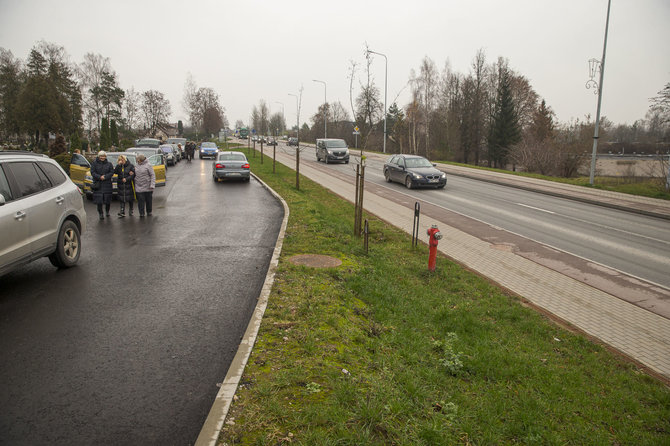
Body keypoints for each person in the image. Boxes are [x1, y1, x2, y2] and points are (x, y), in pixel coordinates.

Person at [91, 150, 114, 219]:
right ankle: (100, 213)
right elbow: (92, 172)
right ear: (98, 156)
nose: (102, 158)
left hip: (107, 184)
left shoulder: (109, 164)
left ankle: (107, 211)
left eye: (103, 156)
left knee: (107, 200)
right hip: (98, 184)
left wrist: (105, 177)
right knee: (99, 200)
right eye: (101, 156)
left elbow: (111, 172)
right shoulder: (94, 164)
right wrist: (99, 177)